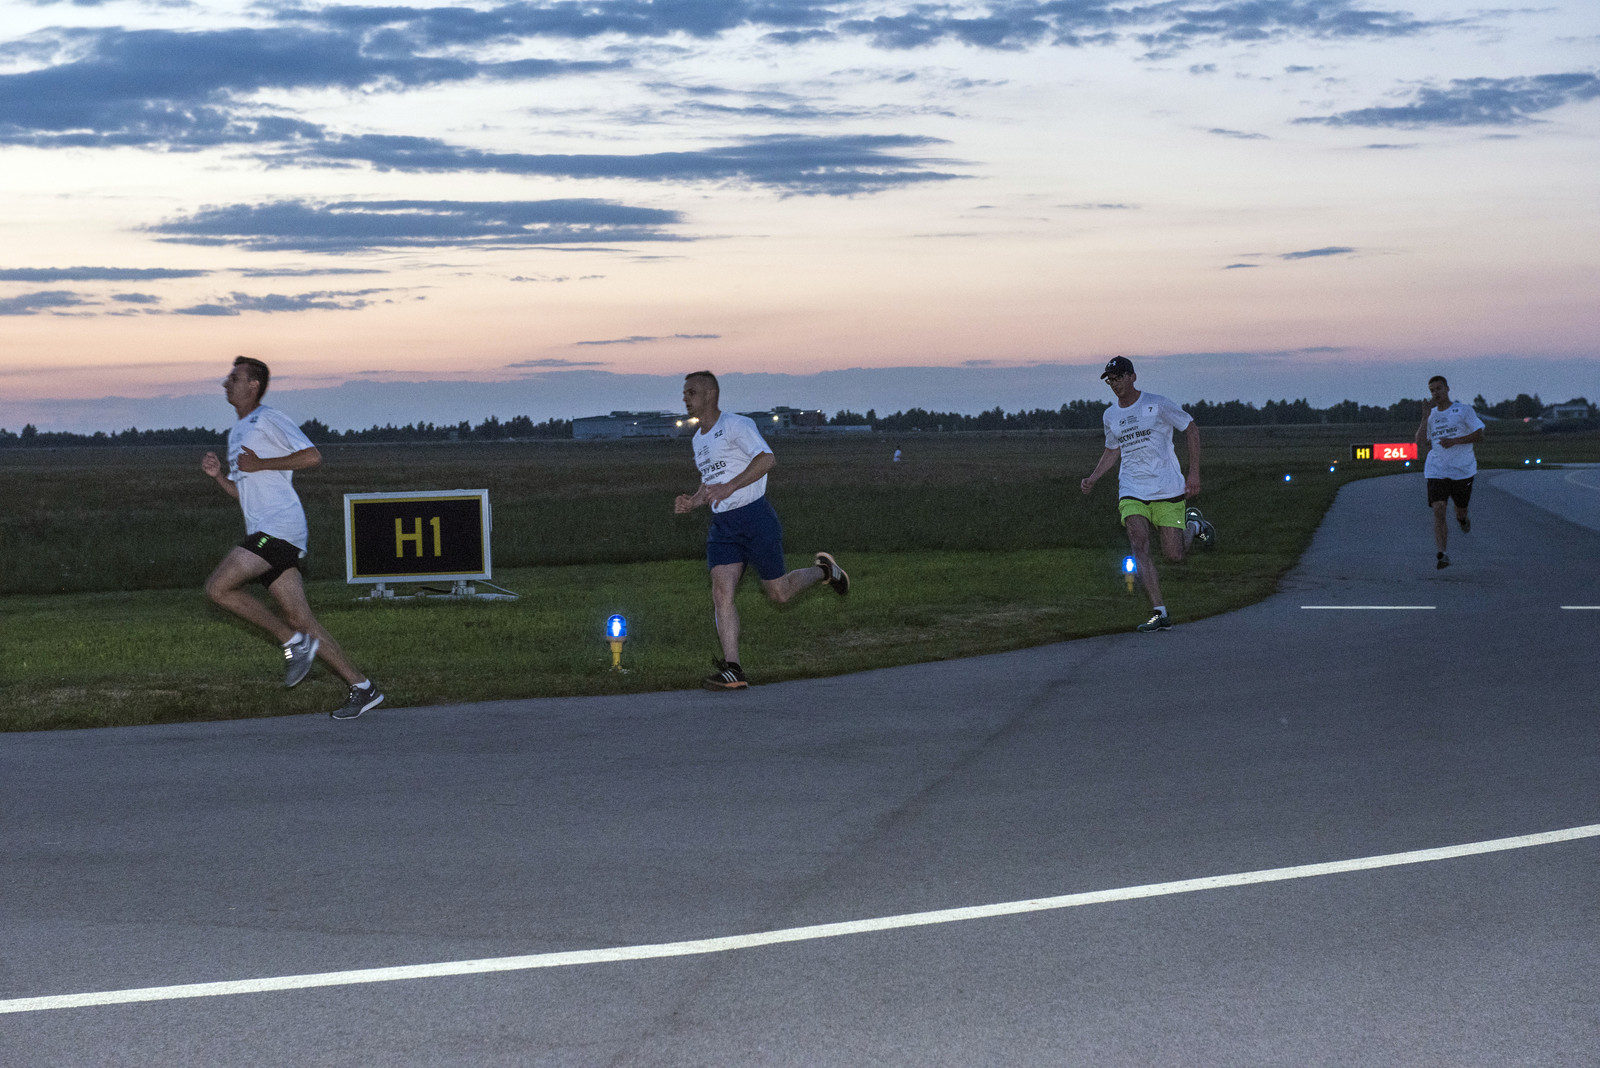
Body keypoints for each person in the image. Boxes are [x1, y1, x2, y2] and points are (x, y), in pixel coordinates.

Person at [200, 356, 384, 719]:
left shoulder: (268, 418)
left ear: (254, 385)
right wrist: (219, 477)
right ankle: (363, 688)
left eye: (234, 378)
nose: (226, 383)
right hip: (266, 531)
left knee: (218, 589)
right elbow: (243, 493)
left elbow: (313, 456)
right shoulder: (237, 433)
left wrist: (262, 463)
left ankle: (291, 643)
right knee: (302, 619)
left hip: (279, 527)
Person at [672, 370, 849, 690]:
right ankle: (733, 669)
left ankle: (825, 570)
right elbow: (710, 481)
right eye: (684, 393)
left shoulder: (737, 425)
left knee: (779, 594)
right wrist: (694, 501)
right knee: (721, 592)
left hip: (755, 518)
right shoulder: (698, 439)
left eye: (691, 392)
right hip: (723, 527)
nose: (685, 398)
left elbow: (767, 459)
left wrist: (730, 486)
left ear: (710, 394)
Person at [1079, 356, 1209, 632]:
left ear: (1132, 377)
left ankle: (1194, 525)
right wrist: (1093, 477)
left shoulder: (1157, 404)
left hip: (1167, 488)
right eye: (1110, 380)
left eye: (1119, 378)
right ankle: (1160, 612)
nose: (1115, 384)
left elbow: (1191, 428)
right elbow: (1112, 449)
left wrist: (1194, 473)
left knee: (1174, 555)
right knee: (1139, 544)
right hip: (1132, 489)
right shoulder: (1110, 415)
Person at [1414, 374, 1484, 570]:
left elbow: (1480, 435)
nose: (1436, 393)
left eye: (1438, 389)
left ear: (1447, 389)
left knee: (1460, 509)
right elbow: (1420, 441)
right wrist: (1424, 417)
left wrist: (1454, 441)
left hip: (1462, 470)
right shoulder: (1431, 416)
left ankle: (1462, 519)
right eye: (1432, 391)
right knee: (1438, 508)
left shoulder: (1463, 410)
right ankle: (1443, 554)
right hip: (1437, 469)